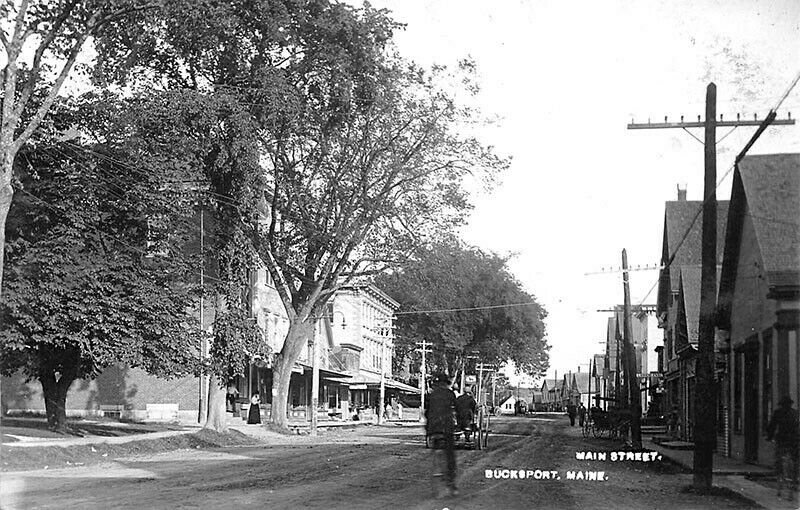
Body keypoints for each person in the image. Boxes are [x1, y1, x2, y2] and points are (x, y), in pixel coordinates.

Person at [425, 372, 458, 497]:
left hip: (433, 430)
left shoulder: (431, 395)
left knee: (435, 452)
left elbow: (427, 413)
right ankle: (451, 483)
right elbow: (457, 410)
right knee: (450, 457)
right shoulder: (450, 394)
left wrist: (428, 431)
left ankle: (436, 478)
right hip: (446, 429)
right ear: (446, 383)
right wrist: (459, 423)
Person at [767, 396, 799, 501]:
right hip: (793, 442)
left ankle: (780, 484)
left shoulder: (778, 413)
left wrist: (770, 437)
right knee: (794, 462)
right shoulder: (795, 413)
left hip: (781, 441)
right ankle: (794, 482)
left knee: (778, 461)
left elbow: (772, 426)